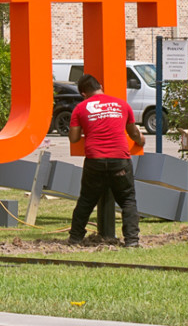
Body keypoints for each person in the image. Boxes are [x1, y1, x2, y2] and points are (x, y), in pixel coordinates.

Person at [67, 72, 144, 247]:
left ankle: (75, 238)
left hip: (95, 160)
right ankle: (132, 240)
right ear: (100, 86)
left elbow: (74, 138)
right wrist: (141, 140)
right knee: (127, 200)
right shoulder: (122, 105)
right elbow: (133, 133)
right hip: (120, 160)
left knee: (86, 200)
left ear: (83, 94)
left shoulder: (80, 108)